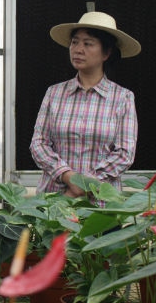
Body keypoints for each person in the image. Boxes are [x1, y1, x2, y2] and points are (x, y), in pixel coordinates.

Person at [30, 11, 140, 204]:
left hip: (102, 204)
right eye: (74, 42)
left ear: (106, 53)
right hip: (54, 201)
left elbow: (125, 153)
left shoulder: (123, 98)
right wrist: (67, 176)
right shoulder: (54, 93)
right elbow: (38, 144)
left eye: (88, 44)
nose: (78, 49)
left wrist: (84, 185)